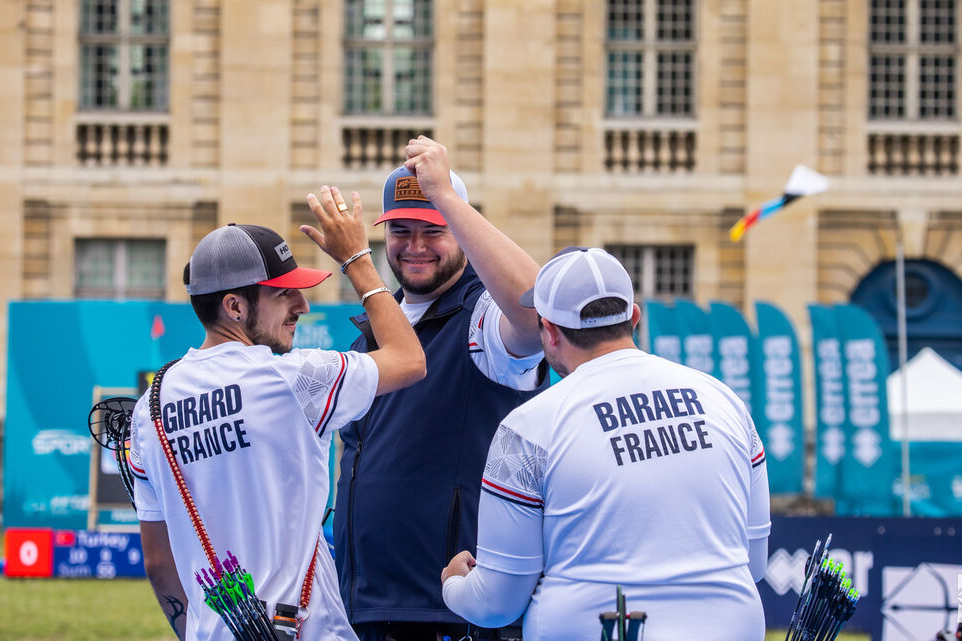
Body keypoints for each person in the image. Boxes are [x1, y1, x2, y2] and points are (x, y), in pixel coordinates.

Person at [130, 186, 426, 641]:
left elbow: (157, 562)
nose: (302, 306)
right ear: (235, 305)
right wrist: (357, 260)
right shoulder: (290, 380)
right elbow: (409, 359)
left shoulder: (150, 409)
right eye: (284, 294)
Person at [440, 247, 772, 641]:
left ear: (547, 330)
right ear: (634, 316)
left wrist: (454, 584)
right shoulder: (724, 401)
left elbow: (496, 604)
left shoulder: (528, 427)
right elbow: (752, 562)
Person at [334, 136, 546, 641]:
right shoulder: (371, 333)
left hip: (450, 612)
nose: (415, 246)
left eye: (434, 230)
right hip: (368, 607)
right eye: (400, 230)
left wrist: (447, 198)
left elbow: (540, 313)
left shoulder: (481, 318)